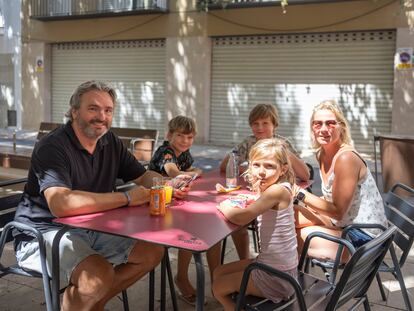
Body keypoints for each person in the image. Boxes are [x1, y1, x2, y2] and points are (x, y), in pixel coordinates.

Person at [13, 80, 188, 310]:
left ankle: (90, 301)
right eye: (93, 108)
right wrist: (127, 199)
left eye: (108, 110)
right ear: (74, 111)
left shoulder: (109, 141)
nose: (101, 116)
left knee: (152, 252)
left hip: (93, 228)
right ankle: (88, 297)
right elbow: (60, 205)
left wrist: (169, 183)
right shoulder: (53, 146)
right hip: (42, 233)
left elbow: (143, 177)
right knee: (98, 276)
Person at [294, 100, 387, 260]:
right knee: (287, 217)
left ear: (341, 127)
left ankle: (281, 280)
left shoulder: (346, 158)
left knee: (288, 237)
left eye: (330, 123)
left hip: (364, 238)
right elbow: (332, 200)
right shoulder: (321, 154)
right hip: (343, 224)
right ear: (312, 128)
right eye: (318, 124)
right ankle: (287, 277)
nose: (323, 129)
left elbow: (337, 211)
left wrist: (299, 193)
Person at [213, 138, 298, 311]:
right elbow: (263, 203)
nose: (261, 172)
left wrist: (224, 205)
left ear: (283, 169)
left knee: (217, 288)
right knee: (218, 272)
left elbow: (241, 218)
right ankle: (237, 302)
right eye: (256, 165)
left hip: (276, 277)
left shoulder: (276, 191)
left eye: (269, 166)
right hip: (278, 268)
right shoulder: (280, 187)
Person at [219, 103, 310, 260]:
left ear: (274, 124)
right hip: (256, 196)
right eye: (255, 123)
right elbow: (225, 165)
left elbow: (306, 175)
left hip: (280, 201)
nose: (260, 128)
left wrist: (282, 150)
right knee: (238, 225)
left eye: (265, 123)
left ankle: (267, 263)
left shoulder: (283, 144)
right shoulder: (249, 143)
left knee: (241, 217)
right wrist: (245, 169)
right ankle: (246, 261)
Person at [149, 115, 218, 306]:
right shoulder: (166, 151)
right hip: (156, 204)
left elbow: (191, 170)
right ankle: (182, 278)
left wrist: (193, 172)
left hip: (176, 201)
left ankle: (217, 280)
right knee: (193, 230)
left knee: (210, 226)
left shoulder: (185, 153)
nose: (185, 141)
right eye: (180, 136)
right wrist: (192, 173)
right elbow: (172, 171)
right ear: (169, 135)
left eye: (189, 137)